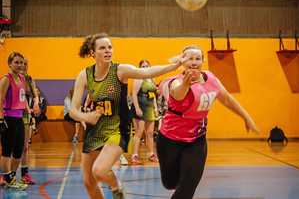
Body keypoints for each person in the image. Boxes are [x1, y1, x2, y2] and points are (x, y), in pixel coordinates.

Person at [69, 33, 185, 199]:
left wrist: (173, 66)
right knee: (88, 181)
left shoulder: (119, 70)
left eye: (110, 47)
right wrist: (86, 117)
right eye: (102, 48)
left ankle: (117, 187)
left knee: (99, 170)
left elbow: (146, 72)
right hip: (95, 130)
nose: (108, 51)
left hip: (117, 129)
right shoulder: (84, 75)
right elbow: (73, 109)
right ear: (93, 53)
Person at [156, 45, 259, 199]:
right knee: (170, 183)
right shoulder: (176, 82)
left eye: (197, 58)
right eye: (189, 58)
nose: (194, 62)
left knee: (189, 184)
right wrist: (186, 84)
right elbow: (177, 94)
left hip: (197, 141)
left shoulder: (211, 79)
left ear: (203, 61)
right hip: (170, 140)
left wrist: (246, 116)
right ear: (183, 62)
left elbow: (226, 99)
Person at [0, 52, 28, 190]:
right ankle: (8, 179)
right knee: (6, 151)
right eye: (16, 62)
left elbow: (22, 98)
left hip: (19, 118)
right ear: (10, 63)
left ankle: (10, 177)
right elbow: (0, 99)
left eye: (21, 62)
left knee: (19, 150)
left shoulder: (22, 78)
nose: (19, 65)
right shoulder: (6, 79)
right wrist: (0, 119)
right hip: (8, 118)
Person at [131, 59, 159, 165]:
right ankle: (134, 155)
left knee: (150, 133)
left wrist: (155, 108)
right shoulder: (138, 78)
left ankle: (151, 154)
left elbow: (153, 96)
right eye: (143, 66)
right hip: (140, 107)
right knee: (139, 132)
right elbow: (133, 94)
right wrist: (137, 108)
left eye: (147, 66)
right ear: (140, 68)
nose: (145, 68)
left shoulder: (152, 79)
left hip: (150, 108)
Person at [20, 58, 40, 184]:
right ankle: (5, 174)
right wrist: (28, 107)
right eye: (20, 63)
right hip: (12, 114)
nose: (23, 66)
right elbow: (21, 97)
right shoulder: (11, 79)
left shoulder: (29, 79)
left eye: (25, 64)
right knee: (10, 147)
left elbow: (35, 94)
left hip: (25, 115)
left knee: (25, 146)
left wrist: (36, 103)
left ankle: (24, 174)